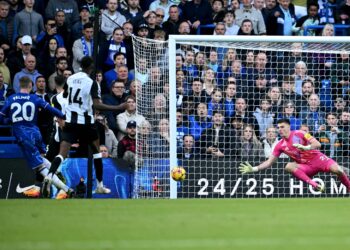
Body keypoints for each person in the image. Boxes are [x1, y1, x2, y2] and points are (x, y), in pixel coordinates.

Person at [45, 56, 126, 194]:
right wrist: (118, 107)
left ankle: (50, 174)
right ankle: (100, 185)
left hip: (71, 123)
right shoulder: (92, 83)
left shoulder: (70, 79)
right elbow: (96, 104)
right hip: (87, 124)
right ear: (91, 67)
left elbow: (65, 96)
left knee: (62, 153)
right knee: (96, 153)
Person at [0, 76, 73, 199]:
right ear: (31, 86)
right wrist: (63, 116)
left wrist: (9, 120)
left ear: (19, 86)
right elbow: (51, 109)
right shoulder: (35, 98)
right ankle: (58, 172)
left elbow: (1, 116)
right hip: (36, 132)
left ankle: (66, 189)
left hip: (23, 135)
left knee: (40, 167)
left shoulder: (11, 99)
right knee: (41, 157)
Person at [239, 118, 350, 192]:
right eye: (278, 128)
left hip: (318, 159)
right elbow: (269, 162)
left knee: (339, 170)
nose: (280, 129)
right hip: (306, 167)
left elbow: (318, 144)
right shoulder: (280, 145)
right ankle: (315, 185)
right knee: (288, 166)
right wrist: (253, 169)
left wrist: (306, 147)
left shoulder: (300, 133)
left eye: (282, 127)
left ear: (288, 127)